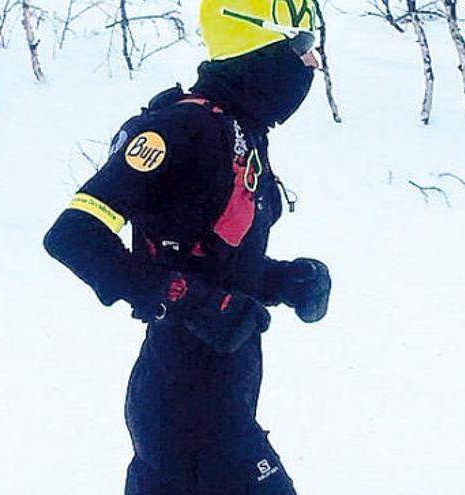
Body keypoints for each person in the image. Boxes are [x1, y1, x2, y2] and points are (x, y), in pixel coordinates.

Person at [43, 0, 331, 493]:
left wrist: (282, 280)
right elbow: (73, 235)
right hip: (187, 412)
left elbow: (203, 257)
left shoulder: (240, 132)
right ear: (256, 41)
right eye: (303, 44)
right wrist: (192, 301)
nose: (313, 62)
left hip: (216, 400)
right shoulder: (183, 128)